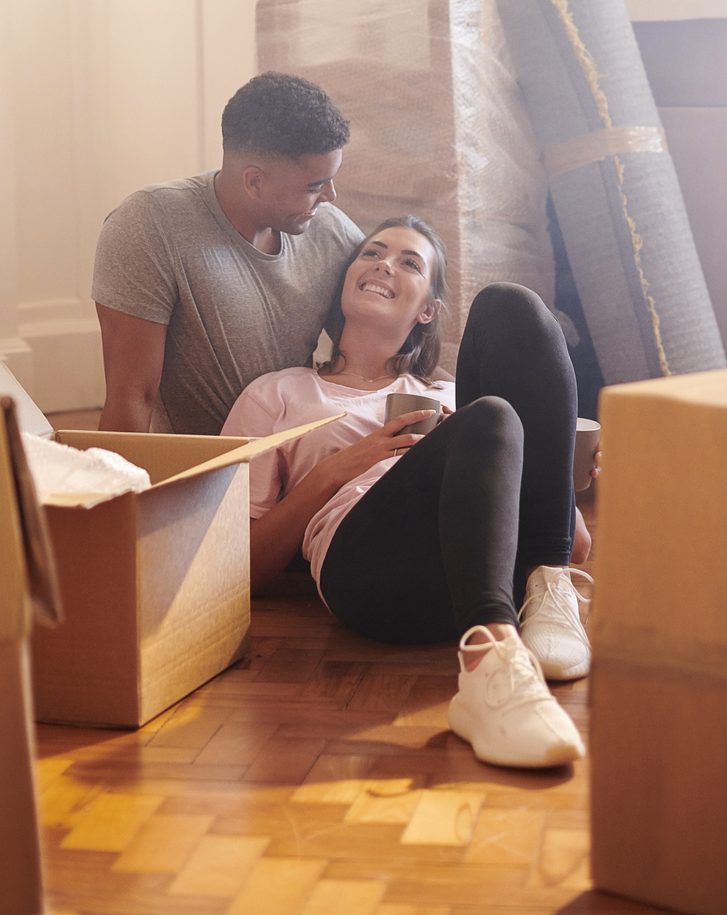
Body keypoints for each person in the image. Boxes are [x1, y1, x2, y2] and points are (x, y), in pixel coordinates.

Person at [222, 216, 593, 770]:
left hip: (484, 565)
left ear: (428, 310)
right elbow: (236, 569)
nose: (384, 264)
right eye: (372, 252)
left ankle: (541, 601)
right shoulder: (278, 392)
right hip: (372, 576)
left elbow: (575, 542)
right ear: (345, 283)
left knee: (512, 310)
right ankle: (492, 664)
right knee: (489, 417)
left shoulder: (446, 394)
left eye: (409, 262)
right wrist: (340, 468)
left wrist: (559, 464)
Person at [93, 72, 364, 436]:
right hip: (210, 472)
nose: (330, 196)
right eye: (314, 187)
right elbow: (131, 398)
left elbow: (386, 354)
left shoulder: (329, 229)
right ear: (254, 181)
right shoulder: (150, 225)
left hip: (305, 454)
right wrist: (124, 493)